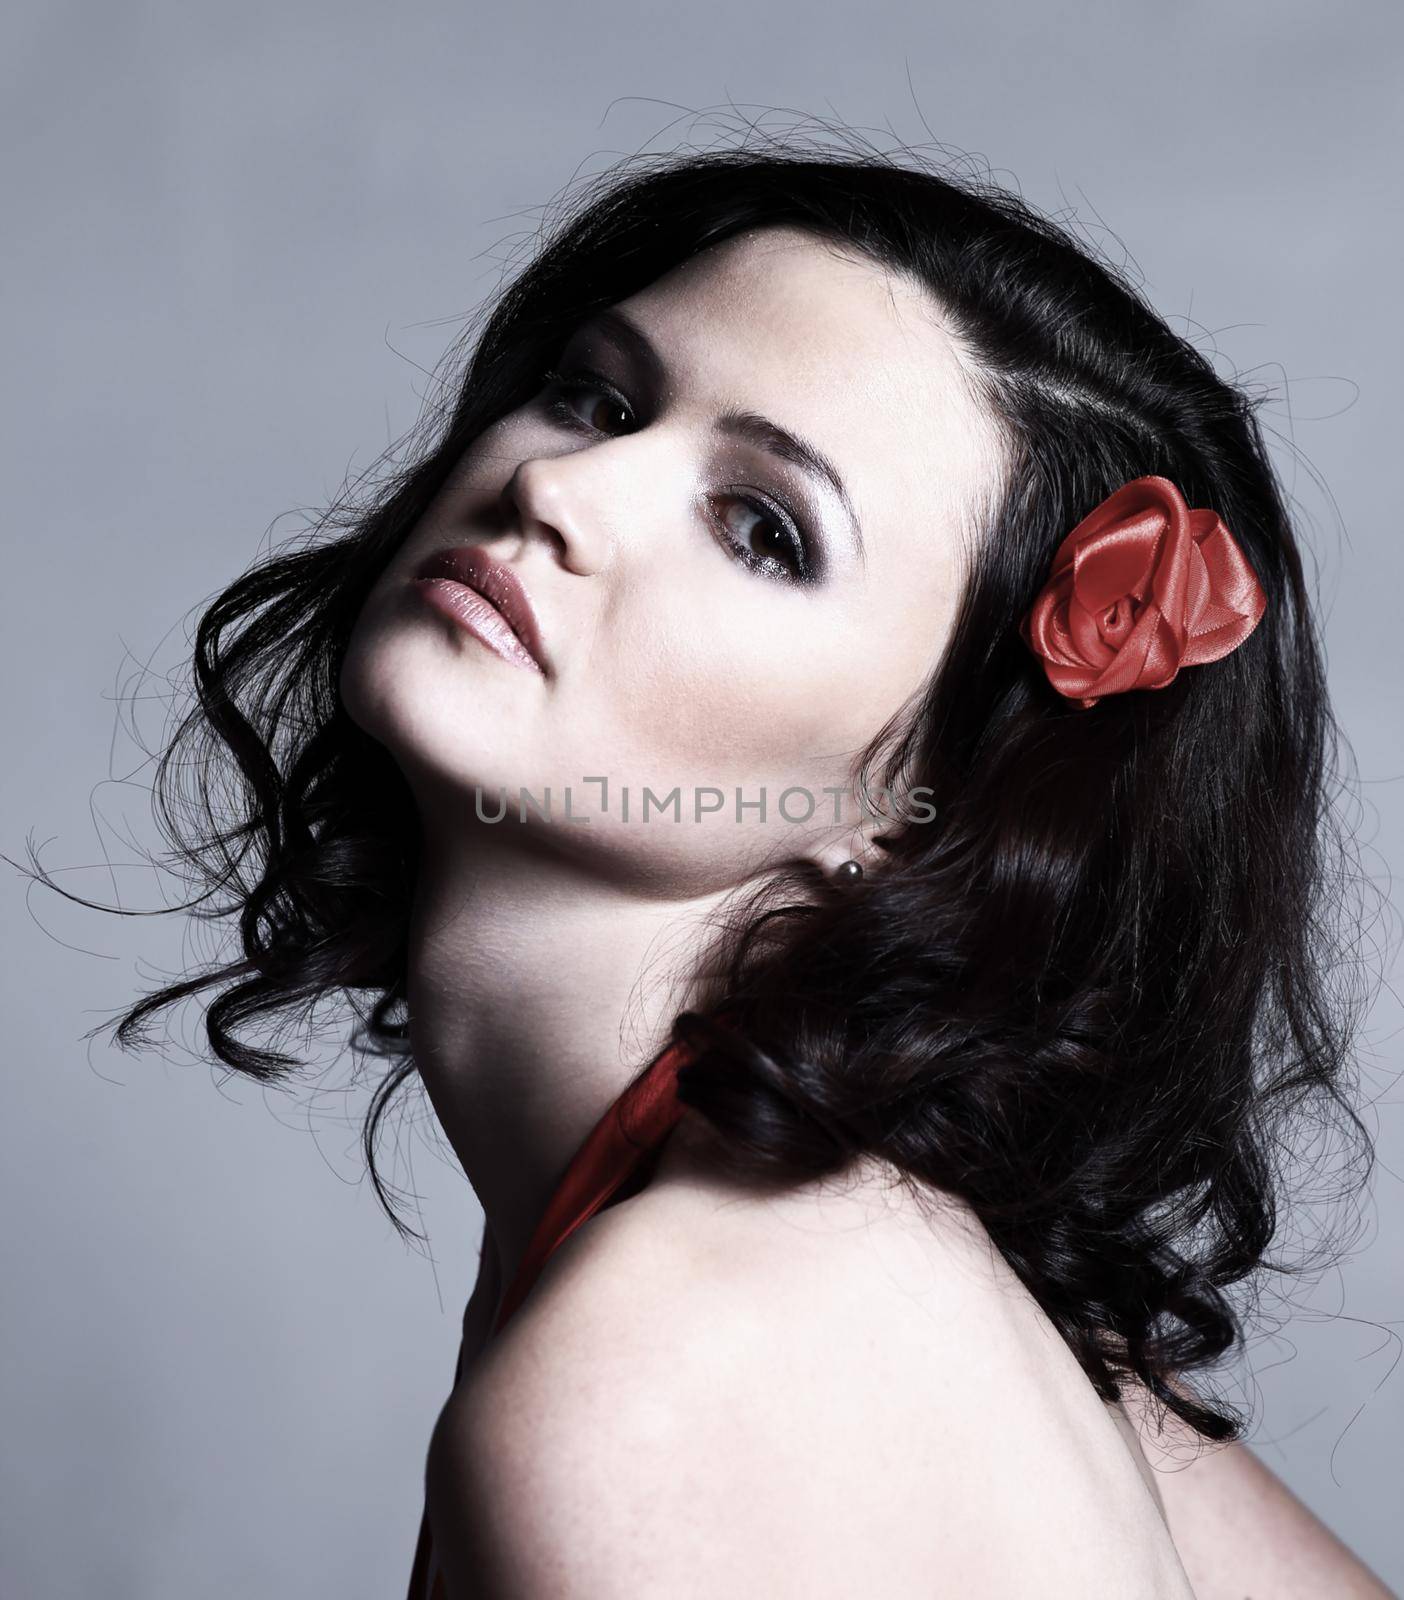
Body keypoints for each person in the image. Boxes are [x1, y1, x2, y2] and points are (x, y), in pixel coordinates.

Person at [89, 141, 1393, 1596]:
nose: (565, 485)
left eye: (765, 529)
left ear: (919, 805)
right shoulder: (876, 1300)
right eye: (601, 395)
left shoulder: (660, 1388)